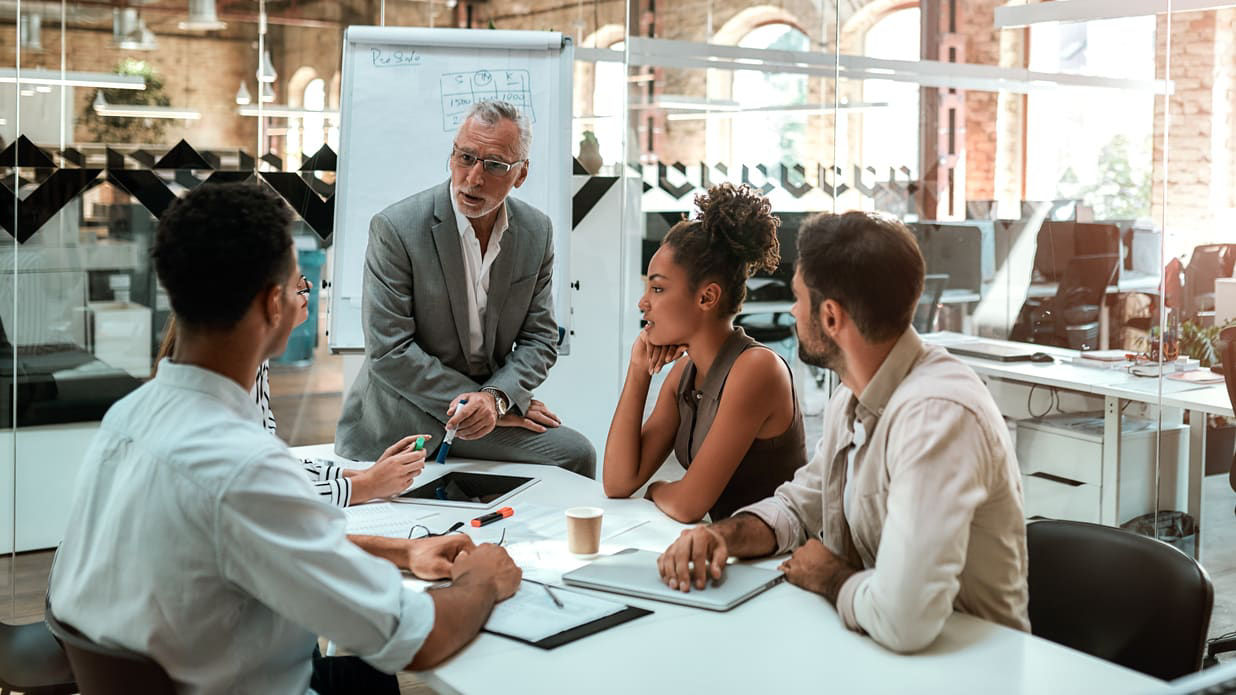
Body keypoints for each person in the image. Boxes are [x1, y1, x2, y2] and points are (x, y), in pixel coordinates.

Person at [49, 183, 522, 694]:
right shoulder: (242, 466)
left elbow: (250, 538)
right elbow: (416, 638)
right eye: (299, 283)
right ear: (274, 303)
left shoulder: (128, 417)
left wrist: (401, 553)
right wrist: (484, 580)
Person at [656, 211, 1030, 654]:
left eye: (798, 298)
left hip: (964, 664)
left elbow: (904, 619)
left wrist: (830, 577)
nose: (793, 311)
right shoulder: (852, 397)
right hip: (879, 648)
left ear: (830, 317)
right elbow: (798, 507)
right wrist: (721, 537)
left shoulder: (936, 417)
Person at [337, 99, 595, 477]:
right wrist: (483, 405)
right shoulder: (396, 228)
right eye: (465, 157)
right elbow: (389, 349)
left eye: (494, 165)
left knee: (575, 454)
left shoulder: (536, 231)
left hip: (484, 409)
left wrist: (497, 398)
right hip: (399, 416)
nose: (474, 178)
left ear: (521, 174)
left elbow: (539, 338)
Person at [602, 183, 806, 522]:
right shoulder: (684, 373)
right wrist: (638, 370)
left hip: (775, 559)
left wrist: (657, 489)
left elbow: (687, 505)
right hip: (722, 551)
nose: (643, 303)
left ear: (707, 298)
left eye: (658, 288)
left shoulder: (756, 369)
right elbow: (619, 482)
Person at [158, 306, 424, 507]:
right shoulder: (220, 389)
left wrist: (354, 475)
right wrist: (365, 486)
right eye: (297, 284)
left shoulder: (251, 363)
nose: (307, 291)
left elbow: (270, 464)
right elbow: (263, 501)